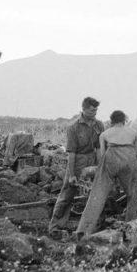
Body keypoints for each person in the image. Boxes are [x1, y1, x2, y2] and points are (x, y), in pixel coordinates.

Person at [76, 110, 137, 238]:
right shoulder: (134, 132)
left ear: (112, 121)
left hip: (111, 157)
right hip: (129, 157)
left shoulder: (105, 134)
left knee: (98, 193)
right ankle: (132, 226)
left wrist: (105, 173)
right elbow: (136, 151)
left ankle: (84, 230)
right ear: (124, 120)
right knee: (132, 193)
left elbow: (102, 155)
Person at [48, 97, 104, 237]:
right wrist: (72, 174)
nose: (95, 113)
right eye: (92, 110)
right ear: (84, 109)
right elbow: (71, 154)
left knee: (95, 193)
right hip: (78, 160)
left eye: (96, 110)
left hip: (92, 160)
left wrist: (99, 167)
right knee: (67, 194)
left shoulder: (99, 125)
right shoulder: (74, 127)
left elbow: (99, 149)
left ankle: (93, 226)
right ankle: (55, 227)